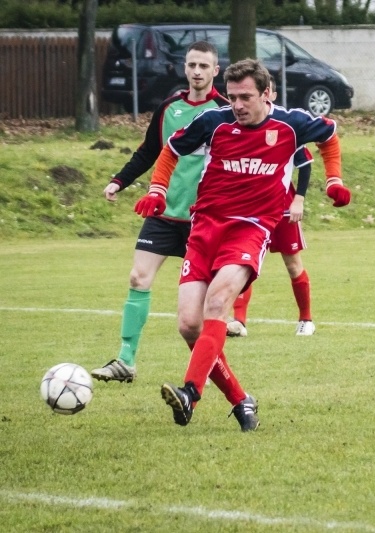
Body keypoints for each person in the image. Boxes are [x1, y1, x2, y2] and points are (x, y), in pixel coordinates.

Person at [134, 58, 350, 431]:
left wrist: (334, 181)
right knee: (189, 325)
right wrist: (157, 189)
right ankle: (240, 400)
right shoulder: (214, 122)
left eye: (245, 97)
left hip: (250, 230)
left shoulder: (291, 123)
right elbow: (171, 149)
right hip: (204, 229)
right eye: (232, 97)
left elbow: (329, 135)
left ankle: (190, 393)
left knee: (218, 304)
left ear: (266, 94)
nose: (237, 105)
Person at [91, 41, 229, 383]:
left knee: (201, 311)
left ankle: (212, 373)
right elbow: (149, 151)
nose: (197, 71)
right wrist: (119, 181)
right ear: (185, 68)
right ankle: (125, 360)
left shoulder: (226, 112)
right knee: (138, 278)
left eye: (204, 66)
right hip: (164, 214)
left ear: (216, 70)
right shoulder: (169, 108)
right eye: (191, 65)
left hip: (204, 220)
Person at [226, 74, 316, 338]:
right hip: (252, 209)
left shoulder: (286, 129)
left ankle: (306, 319)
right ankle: (239, 321)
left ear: (269, 96)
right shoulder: (240, 129)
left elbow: (305, 163)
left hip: (283, 207)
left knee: (292, 264)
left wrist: (299, 199)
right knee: (243, 262)